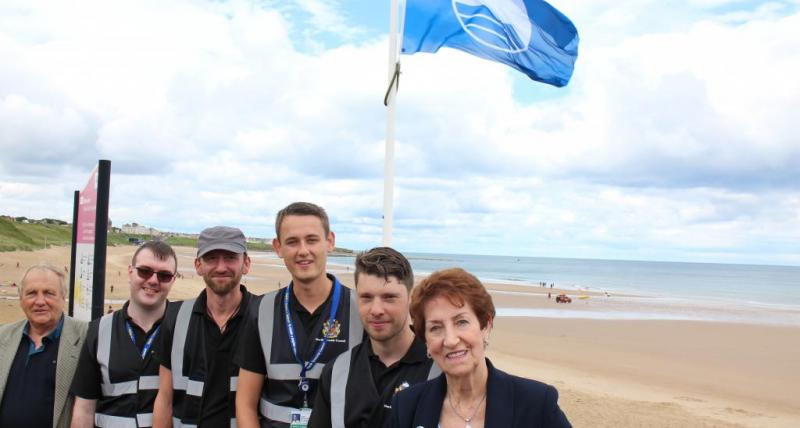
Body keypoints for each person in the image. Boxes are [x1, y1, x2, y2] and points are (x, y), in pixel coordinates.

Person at [235, 202, 363, 428]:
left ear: (330, 241)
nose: (303, 250)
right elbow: (245, 402)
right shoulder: (261, 310)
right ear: (278, 247)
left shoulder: (361, 309)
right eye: (292, 242)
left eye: (312, 240)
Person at [391, 268, 571, 428]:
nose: (451, 340)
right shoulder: (407, 406)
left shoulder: (536, 403)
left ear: (485, 326)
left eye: (461, 322)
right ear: (427, 342)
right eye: (435, 328)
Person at [308, 247, 439, 428]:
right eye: (366, 298)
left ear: (410, 299)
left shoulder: (441, 370)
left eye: (389, 297)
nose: (376, 310)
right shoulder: (337, 372)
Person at [153, 226, 257, 427]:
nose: (220, 267)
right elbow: (164, 399)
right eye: (211, 258)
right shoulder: (175, 317)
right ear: (198, 265)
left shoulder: (263, 317)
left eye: (230, 257)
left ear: (246, 264)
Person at [70, 241, 179, 427]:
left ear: (174, 279)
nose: (153, 280)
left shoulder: (187, 327)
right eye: (144, 271)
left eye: (164, 275)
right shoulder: (98, 331)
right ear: (130, 271)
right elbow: (84, 408)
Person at [0, 263, 88, 428]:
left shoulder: (87, 337)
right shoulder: (3, 336)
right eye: (31, 293)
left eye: (49, 293)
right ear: (21, 299)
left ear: (63, 297)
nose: (40, 301)